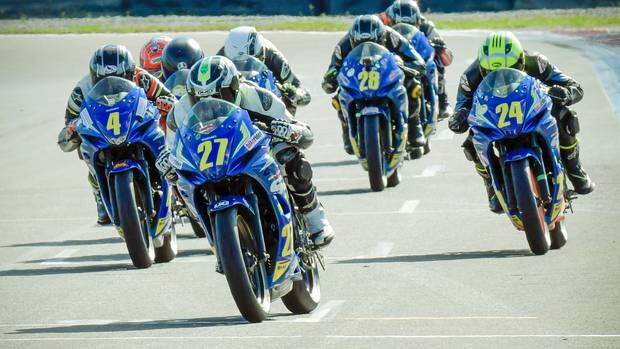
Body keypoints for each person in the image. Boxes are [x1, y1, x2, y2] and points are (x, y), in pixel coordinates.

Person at [157, 56, 335, 248]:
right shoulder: (179, 112)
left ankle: (314, 217)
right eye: (198, 98)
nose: (209, 104)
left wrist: (289, 131)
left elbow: (304, 132)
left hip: (252, 151)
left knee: (287, 155)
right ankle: (216, 238)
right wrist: (169, 163)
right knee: (178, 180)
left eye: (218, 96)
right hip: (209, 161)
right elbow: (174, 148)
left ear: (234, 87)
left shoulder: (258, 98)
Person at [448, 32, 595, 212]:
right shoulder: (469, 77)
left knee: (563, 114)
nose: (501, 77)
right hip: (496, 117)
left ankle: (574, 169)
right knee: (471, 141)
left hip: (529, 108)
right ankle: (491, 184)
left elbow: (573, 85)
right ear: (482, 67)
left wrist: (566, 93)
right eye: (491, 73)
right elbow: (461, 106)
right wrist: (459, 118)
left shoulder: (537, 62)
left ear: (521, 61)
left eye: (509, 69)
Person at [57, 44, 177, 224]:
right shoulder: (82, 89)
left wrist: (166, 104)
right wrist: (72, 127)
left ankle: (170, 171)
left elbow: (173, 101)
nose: (111, 84)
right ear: (94, 76)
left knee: (163, 128)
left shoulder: (143, 78)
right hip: (103, 131)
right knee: (83, 145)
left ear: (130, 73)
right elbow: (70, 121)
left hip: (134, 125)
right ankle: (99, 189)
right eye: (104, 79)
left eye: (118, 78)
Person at [321, 14, 427, 156]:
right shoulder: (343, 44)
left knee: (413, 85)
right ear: (353, 39)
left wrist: (406, 66)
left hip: (386, 76)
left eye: (373, 42)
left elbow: (418, 61)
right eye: (360, 45)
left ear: (381, 38)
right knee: (340, 96)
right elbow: (333, 68)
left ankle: (414, 126)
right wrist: (330, 78)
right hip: (359, 79)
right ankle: (348, 130)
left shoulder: (392, 36)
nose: (366, 48)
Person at [379, 0, 454, 121]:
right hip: (392, 59)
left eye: (410, 24)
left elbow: (448, 59)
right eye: (399, 24)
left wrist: (440, 49)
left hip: (418, 59)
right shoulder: (381, 22)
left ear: (418, 22)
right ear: (390, 21)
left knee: (436, 61)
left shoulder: (426, 26)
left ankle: (442, 101)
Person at [217, 26, 311, 115]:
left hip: (269, 94)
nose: (244, 67)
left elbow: (305, 95)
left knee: (289, 99)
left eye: (247, 62)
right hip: (237, 92)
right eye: (237, 63)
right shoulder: (220, 60)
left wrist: (295, 94)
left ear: (261, 53)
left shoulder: (274, 58)